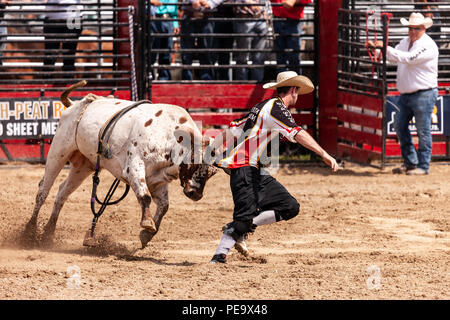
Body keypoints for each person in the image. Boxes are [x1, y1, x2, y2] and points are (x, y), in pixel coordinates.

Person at [209, 71, 339, 264]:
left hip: (253, 169)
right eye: (298, 92)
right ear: (293, 90)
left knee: (289, 206)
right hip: (245, 166)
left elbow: (236, 128)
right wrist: (323, 153)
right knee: (243, 218)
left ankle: (243, 227)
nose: (298, 96)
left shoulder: (262, 106)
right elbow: (297, 133)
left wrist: (214, 147)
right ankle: (218, 257)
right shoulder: (277, 108)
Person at [368, 12, 439, 175]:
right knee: (400, 127)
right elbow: (395, 57)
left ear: (424, 28)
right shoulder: (405, 42)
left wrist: (384, 47)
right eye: (410, 28)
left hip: (424, 93)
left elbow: (407, 58)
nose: (413, 31)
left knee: (423, 130)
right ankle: (411, 163)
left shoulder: (428, 45)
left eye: (416, 28)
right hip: (407, 93)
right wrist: (378, 51)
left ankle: (423, 166)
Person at [180, 0, 222, 81]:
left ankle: (206, 81)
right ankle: (187, 81)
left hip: (207, 16)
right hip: (190, 15)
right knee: (186, 52)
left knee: (207, 51)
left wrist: (211, 3)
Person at [270, 0, 312, 75]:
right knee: (281, 56)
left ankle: (294, 82)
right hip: (280, 20)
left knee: (293, 56)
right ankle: (285, 82)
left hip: (292, 21)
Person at [43, 0, 83, 78]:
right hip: (54, 16)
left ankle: (67, 78)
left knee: (70, 51)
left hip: (72, 15)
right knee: (51, 52)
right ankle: (48, 80)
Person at [232, 0, 268, 82]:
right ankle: (243, 86)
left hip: (261, 18)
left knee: (259, 57)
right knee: (243, 57)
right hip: (244, 18)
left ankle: (257, 85)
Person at [150, 0, 180, 80]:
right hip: (154, 19)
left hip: (168, 20)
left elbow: (174, 8)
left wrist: (175, 23)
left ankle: (164, 79)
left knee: (167, 51)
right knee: (152, 50)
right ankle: (149, 78)